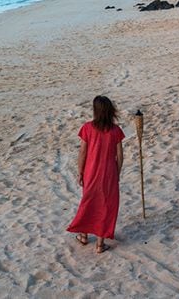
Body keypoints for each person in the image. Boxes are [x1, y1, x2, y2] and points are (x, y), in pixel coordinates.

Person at [66, 95, 124, 253]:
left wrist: (80, 172)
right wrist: (117, 174)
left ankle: (83, 236)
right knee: (105, 205)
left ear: (95, 111)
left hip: (91, 172)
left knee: (89, 202)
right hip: (109, 173)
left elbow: (83, 152)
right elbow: (120, 155)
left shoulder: (87, 128)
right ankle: (100, 244)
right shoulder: (116, 130)